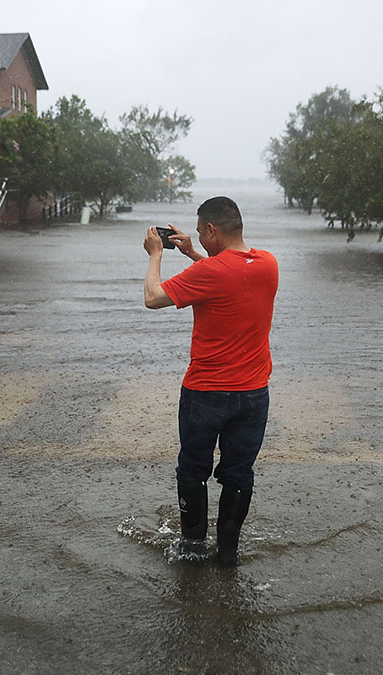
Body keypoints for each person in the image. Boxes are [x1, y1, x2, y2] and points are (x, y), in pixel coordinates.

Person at [142, 196, 279, 567]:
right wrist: (190, 253)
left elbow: (154, 298)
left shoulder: (211, 274)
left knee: (193, 469)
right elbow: (227, 276)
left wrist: (156, 253)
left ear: (212, 230)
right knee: (238, 473)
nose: (199, 238)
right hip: (253, 395)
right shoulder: (267, 264)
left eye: (201, 233)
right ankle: (229, 554)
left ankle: (191, 548)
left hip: (205, 393)